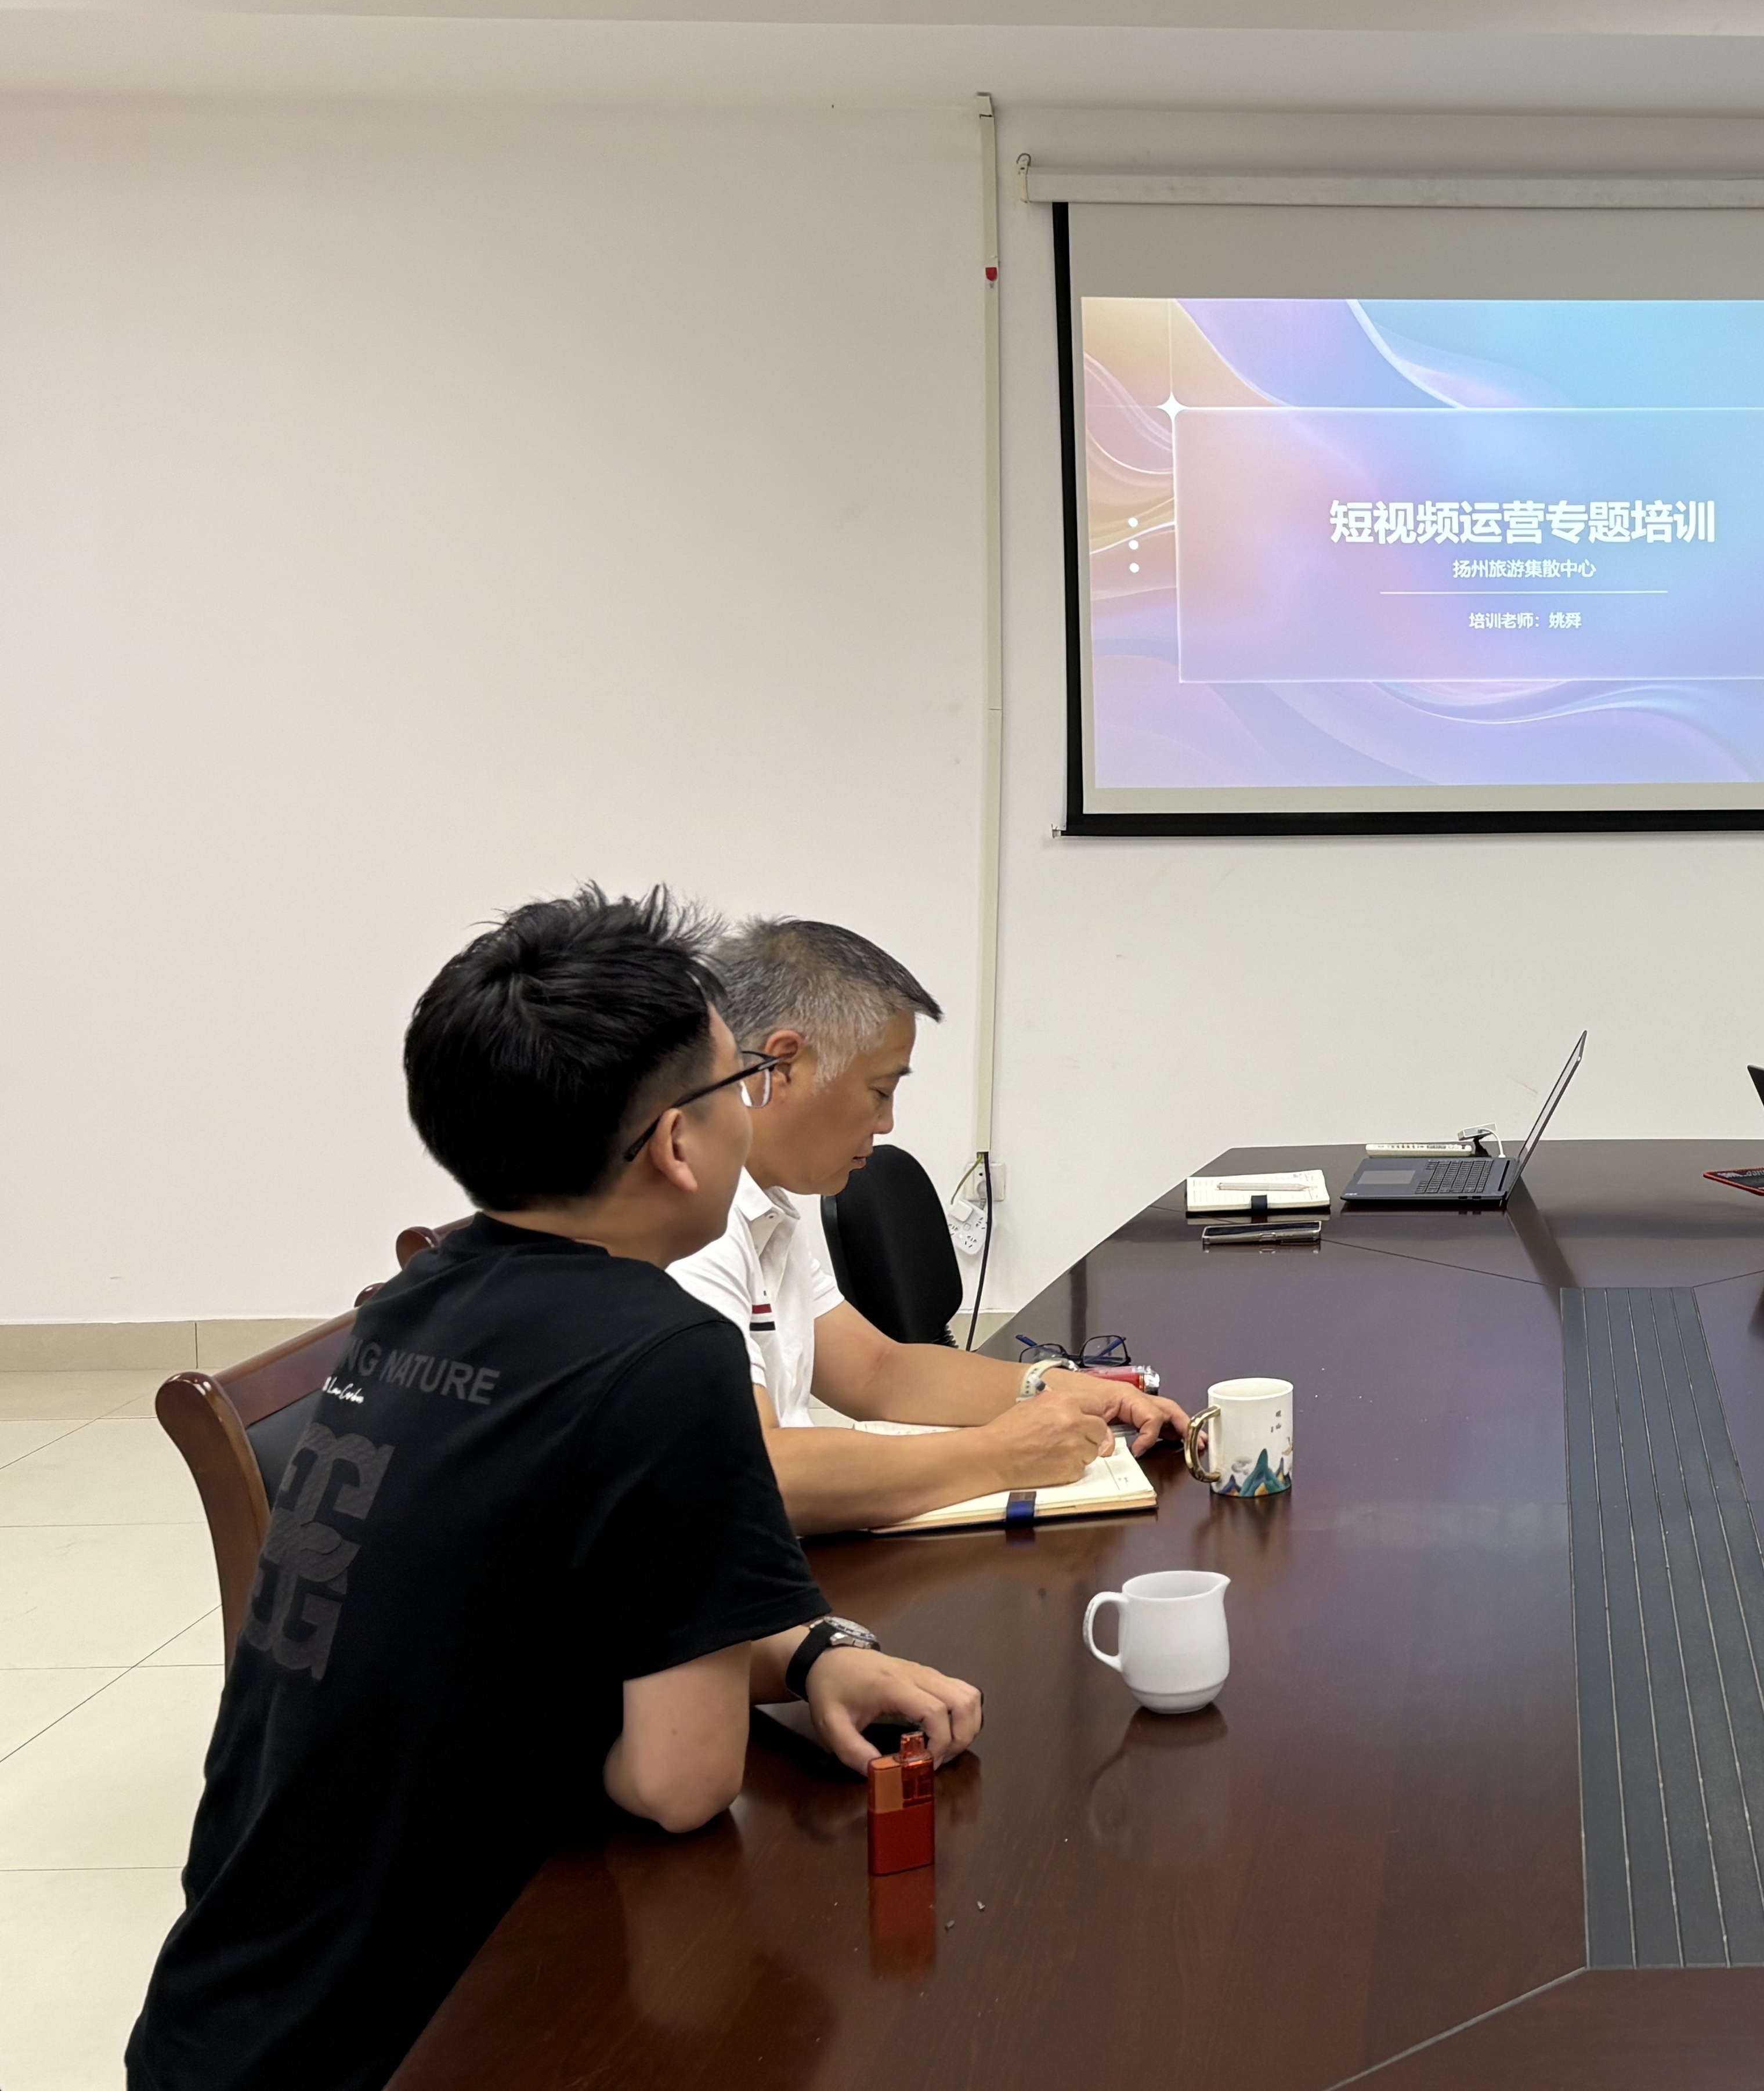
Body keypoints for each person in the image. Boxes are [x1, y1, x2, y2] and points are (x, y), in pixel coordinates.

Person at [128, 890, 982, 2091]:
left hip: (227, 2013)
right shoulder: (665, 1354)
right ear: (678, 1143)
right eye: (738, 1083)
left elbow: (543, 1596)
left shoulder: (418, 1301)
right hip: (413, 2037)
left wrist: (805, 1653)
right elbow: (679, 1783)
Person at [670, 916, 1185, 1535]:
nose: (887, 1123)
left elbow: (878, 1372)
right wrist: (1000, 1453)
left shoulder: (764, 1208)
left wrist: (1057, 1386)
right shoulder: (691, 1233)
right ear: (782, 1065)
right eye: (879, 1091)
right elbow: (755, 1473)